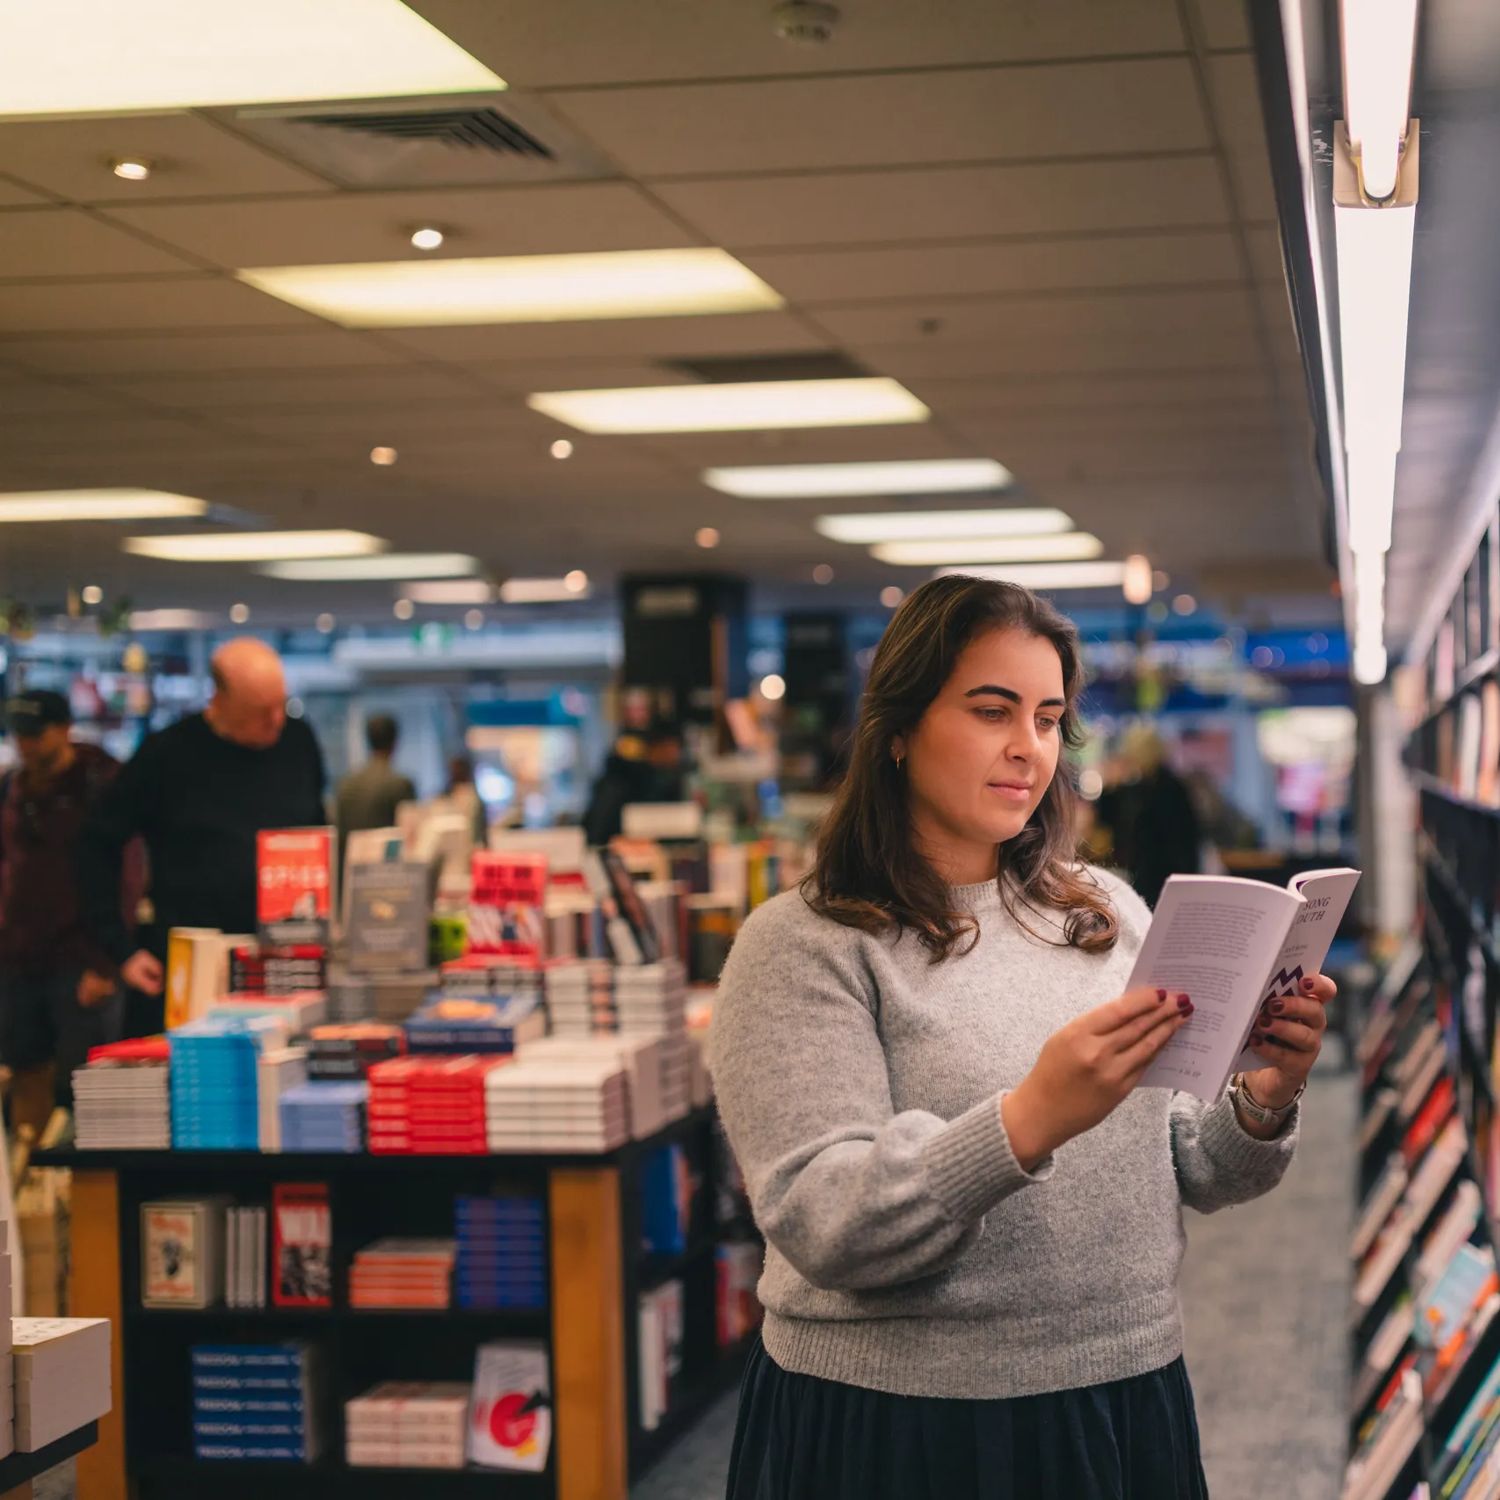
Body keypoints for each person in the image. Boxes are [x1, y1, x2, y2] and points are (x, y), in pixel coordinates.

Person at [709, 576, 1333, 1499]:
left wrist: (1265, 1093)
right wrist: (1030, 1119)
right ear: (898, 730)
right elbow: (823, 1220)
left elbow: (1190, 1168)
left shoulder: (1104, 910)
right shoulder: (805, 945)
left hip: (1123, 1391)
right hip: (901, 1422)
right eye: (993, 711)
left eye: (1048, 719)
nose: (1027, 750)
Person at [79, 638, 326, 1036]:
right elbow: (96, 843)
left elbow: (316, 834)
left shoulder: (297, 741)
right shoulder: (168, 754)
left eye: (281, 705)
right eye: (261, 712)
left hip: (285, 959)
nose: (276, 720)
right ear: (220, 700)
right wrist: (119, 950)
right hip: (189, 965)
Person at [0, 691, 140, 1128]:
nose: (27, 745)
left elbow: (129, 876)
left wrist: (107, 961)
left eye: (36, 735)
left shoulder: (101, 783)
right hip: (21, 957)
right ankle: (31, 1185)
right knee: (25, 1073)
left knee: (87, 1086)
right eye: (19, 735)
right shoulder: (12, 786)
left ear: (63, 730)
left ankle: (81, 1192)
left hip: (83, 958)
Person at [1099, 724, 1204, 907]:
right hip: (1145, 875)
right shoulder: (1140, 786)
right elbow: (1107, 816)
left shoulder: (1169, 789)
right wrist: (1110, 786)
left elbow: (1180, 841)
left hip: (1165, 878)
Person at [581, 724, 684, 846]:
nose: (675, 755)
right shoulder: (619, 783)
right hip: (617, 852)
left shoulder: (664, 780)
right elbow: (597, 830)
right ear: (655, 747)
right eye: (671, 748)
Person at [334, 714, 416, 863]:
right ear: (395, 742)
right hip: (388, 873)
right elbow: (409, 840)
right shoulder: (401, 785)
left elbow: (339, 838)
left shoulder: (346, 785)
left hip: (351, 872)